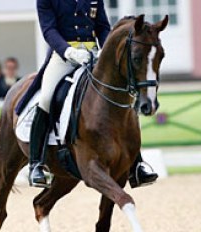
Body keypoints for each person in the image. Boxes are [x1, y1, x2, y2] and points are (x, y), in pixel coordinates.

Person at [29, 0, 158, 188]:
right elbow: (49, 30)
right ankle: (36, 164)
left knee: (123, 96)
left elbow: (103, 27)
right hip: (64, 56)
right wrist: (69, 51)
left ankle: (136, 165)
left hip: (94, 54)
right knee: (47, 98)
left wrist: (106, 51)